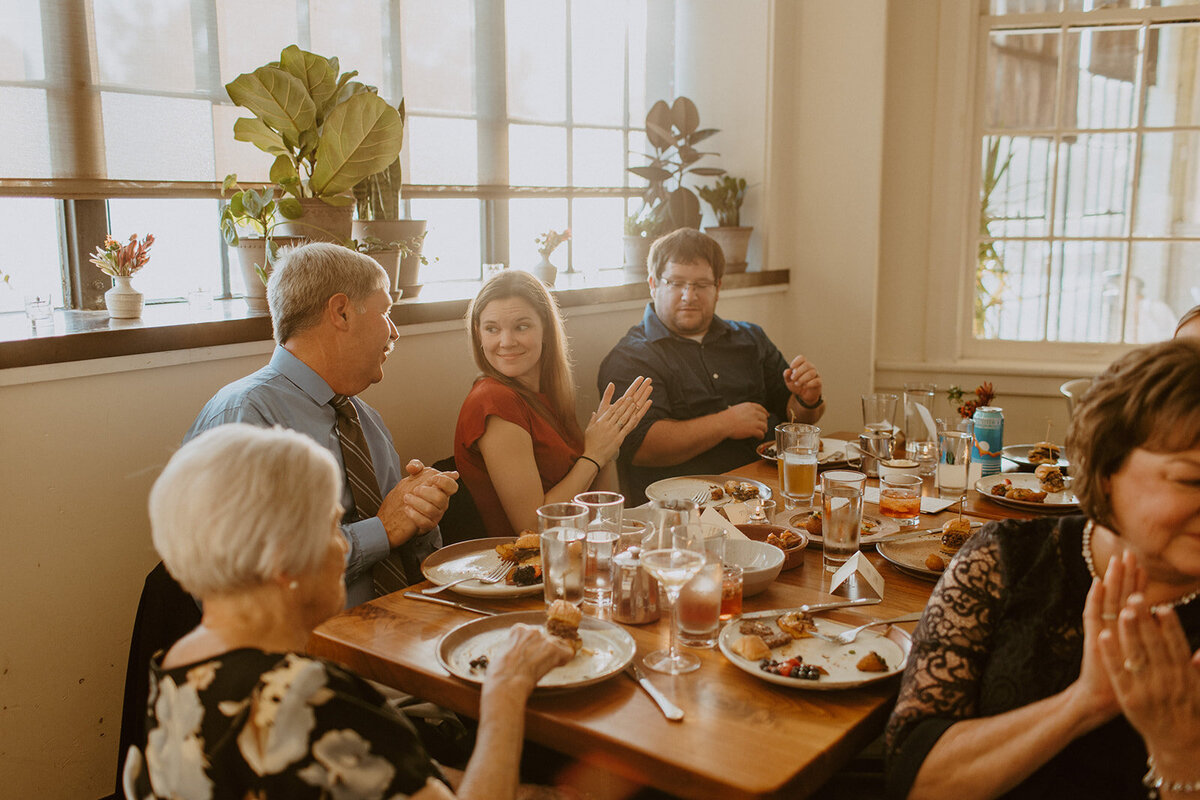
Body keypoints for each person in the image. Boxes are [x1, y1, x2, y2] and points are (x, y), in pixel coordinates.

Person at [124, 423, 573, 800]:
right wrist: (506, 693)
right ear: (284, 562)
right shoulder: (304, 696)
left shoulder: (177, 669)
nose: (345, 547)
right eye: (331, 527)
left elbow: (384, 776)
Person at [885, 338, 1200, 800]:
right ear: (1107, 469)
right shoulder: (1004, 561)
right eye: (1190, 479)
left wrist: (1179, 753)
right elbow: (915, 782)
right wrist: (1083, 703)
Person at [185, 243, 458, 605]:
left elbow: (406, 544)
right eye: (386, 312)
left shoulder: (364, 420)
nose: (395, 333)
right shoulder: (243, 417)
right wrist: (383, 530)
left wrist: (419, 516)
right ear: (341, 312)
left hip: (402, 627)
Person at [596, 228, 825, 503]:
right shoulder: (631, 357)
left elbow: (796, 419)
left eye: (701, 285)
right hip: (683, 513)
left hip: (770, 495)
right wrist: (725, 423)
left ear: (718, 287)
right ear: (653, 284)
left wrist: (807, 399)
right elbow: (642, 447)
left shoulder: (751, 338)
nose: (689, 296)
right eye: (675, 283)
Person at [454, 270, 653, 537]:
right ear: (479, 335)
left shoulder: (546, 395)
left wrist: (608, 447)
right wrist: (593, 455)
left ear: (546, 330)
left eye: (521, 326)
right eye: (492, 329)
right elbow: (534, 527)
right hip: (526, 568)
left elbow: (605, 512)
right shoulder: (494, 401)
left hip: (577, 550)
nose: (506, 341)